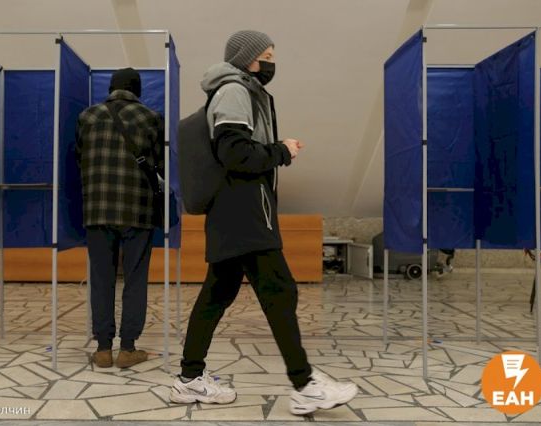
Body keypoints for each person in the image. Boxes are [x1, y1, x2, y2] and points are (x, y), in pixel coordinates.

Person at [169, 30, 358, 415]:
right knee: (279, 291)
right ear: (245, 58)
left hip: (234, 209)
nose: (271, 63)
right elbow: (235, 153)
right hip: (243, 210)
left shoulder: (240, 89)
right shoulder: (235, 90)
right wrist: (281, 151)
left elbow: (238, 148)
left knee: (217, 294)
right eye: (266, 56)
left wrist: (276, 149)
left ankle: (189, 379)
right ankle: (304, 385)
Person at [75, 68, 164, 369]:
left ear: (111, 88)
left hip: (97, 209)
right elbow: (159, 164)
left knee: (101, 279)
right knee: (135, 279)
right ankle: (128, 348)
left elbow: (79, 158)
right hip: (138, 210)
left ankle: (103, 349)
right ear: (137, 90)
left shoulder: (87, 116)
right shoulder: (151, 118)